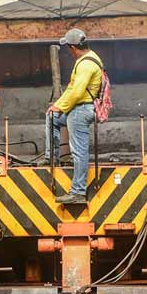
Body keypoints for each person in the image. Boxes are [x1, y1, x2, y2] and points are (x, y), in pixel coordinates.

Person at [46, 28, 103, 205]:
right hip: (77, 109)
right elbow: (72, 89)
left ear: (73, 47)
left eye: (68, 48)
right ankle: (52, 157)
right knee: (52, 118)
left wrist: (60, 106)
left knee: (79, 152)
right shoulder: (88, 59)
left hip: (81, 110)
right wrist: (56, 107)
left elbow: (77, 92)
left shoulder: (86, 64)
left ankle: (78, 192)